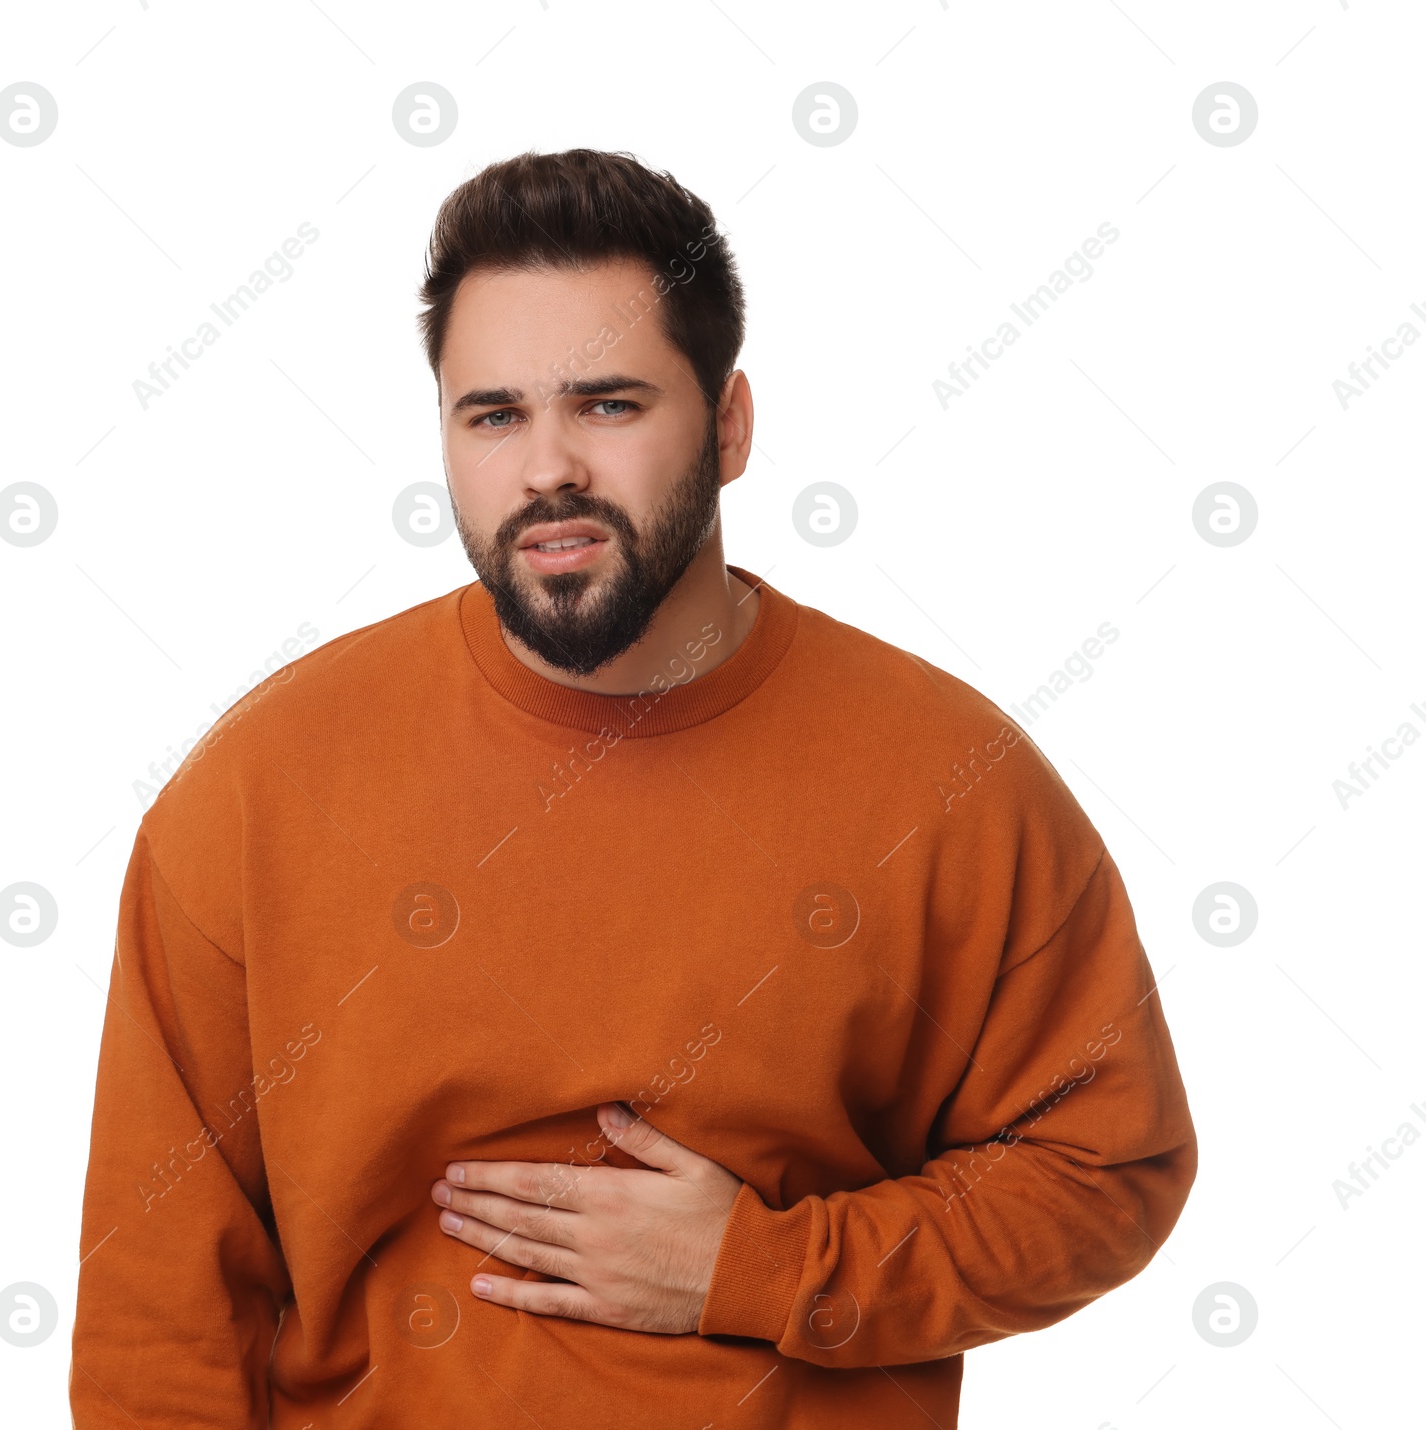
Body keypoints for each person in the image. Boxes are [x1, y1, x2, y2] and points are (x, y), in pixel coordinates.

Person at [69, 148, 1196, 1429]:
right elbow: (158, 1306)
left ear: (727, 426)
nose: (547, 466)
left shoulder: (948, 778)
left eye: (607, 404)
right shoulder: (262, 787)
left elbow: (1107, 1164)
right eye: (491, 414)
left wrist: (757, 1268)